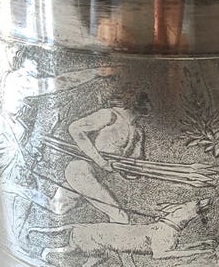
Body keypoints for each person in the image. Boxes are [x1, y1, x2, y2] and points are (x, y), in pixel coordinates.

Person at [50, 89, 150, 224]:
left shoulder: (138, 132)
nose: (150, 105)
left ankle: (33, 195)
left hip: (96, 176)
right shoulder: (110, 115)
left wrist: (130, 166)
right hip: (81, 170)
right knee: (120, 217)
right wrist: (101, 161)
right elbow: (75, 128)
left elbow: (132, 171)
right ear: (135, 102)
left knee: (57, 207)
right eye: (147, 100)